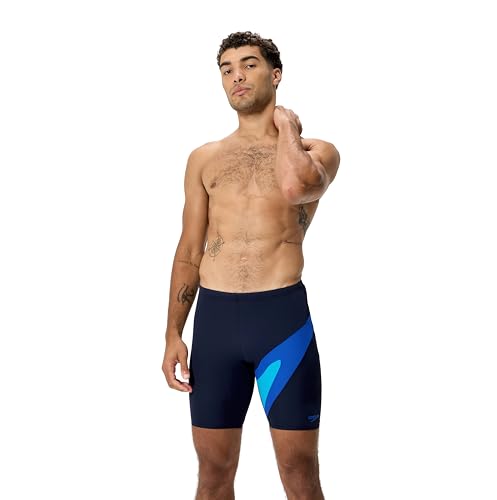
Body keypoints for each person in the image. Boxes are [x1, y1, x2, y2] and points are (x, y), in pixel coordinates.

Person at [162, 31, 340, 500]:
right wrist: (173, 333)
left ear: (275, 75)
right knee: (213, 474)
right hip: (215, 324)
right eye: (227, 69)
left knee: (299, 474)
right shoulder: (204, 159)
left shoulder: (317, 151)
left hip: (281, 322)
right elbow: (189, 249)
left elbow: (295, 188)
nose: (236, 76)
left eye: (249, 65)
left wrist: (285, 128)